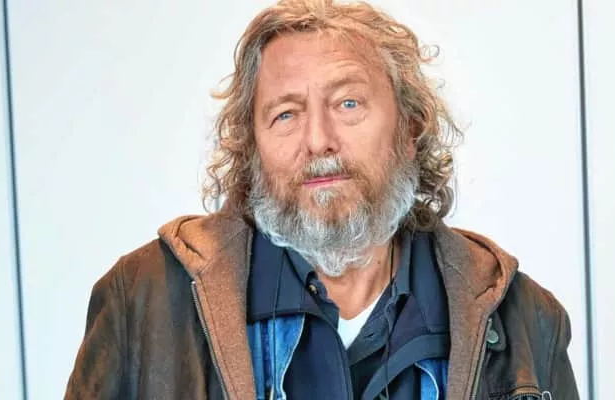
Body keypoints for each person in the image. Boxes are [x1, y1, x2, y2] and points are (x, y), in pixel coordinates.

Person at [65, 0, 579, 399]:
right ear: (252, 149)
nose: (318, 140)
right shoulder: (142, 300)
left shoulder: (526, 320)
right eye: (285, 114)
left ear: (410, 128)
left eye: (348, 103)